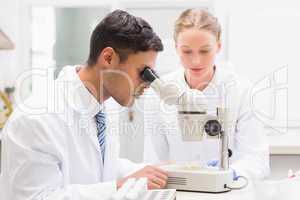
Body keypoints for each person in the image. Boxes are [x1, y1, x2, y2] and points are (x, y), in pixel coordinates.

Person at [0, 10, 168, 200]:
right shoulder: (36, 119)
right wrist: (119, 187)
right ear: (108, 58)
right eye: (143, 73)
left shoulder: (104, 107)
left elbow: (101, 166)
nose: (148, 84)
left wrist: (146, 172)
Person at [143, 9, 270, 180]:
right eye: (187, 51)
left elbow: (256, 159)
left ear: (218, 46)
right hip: (179, 189)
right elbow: (154, 161)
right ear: (176, 48)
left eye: (205, 51)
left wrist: (229, 174)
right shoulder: (159, 93)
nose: (196, 61)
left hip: (229, 191)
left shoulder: (240, 91)